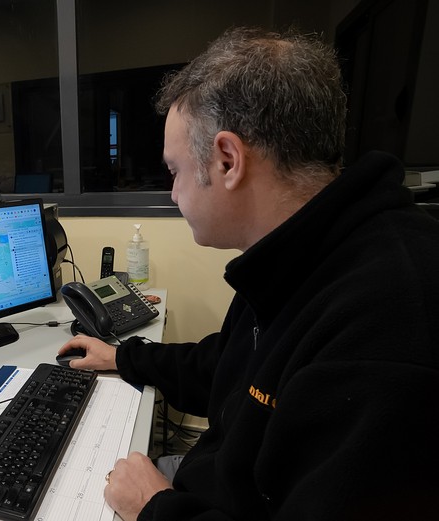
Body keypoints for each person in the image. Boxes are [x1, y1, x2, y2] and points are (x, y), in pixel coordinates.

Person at [58, 27, 439, 520]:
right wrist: (123, 357)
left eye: (174, 171)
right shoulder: (299, 253)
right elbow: (232, 367)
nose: (172, 194)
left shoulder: (387, 330)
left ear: (228, 160)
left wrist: (154, 507)